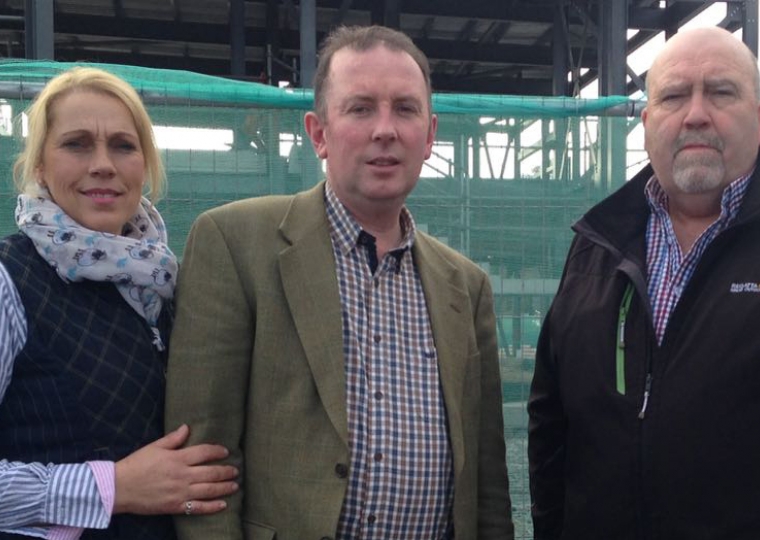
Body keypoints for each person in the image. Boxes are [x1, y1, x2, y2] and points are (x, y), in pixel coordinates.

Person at [165, 25, 514, 540]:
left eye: (405, 108)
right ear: (318, 133)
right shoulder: (236, 244)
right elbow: (203, 466)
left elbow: (485, 485)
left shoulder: (467, 287)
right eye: (360, 108)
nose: (385, 130)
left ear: (431, 133)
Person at [528, 26, 760, 540]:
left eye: (720, 92)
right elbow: (551, 422)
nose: (695, 114)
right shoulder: (596, 245)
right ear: (647, 125)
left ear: (759, 122)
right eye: (673, 96)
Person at [0, 67, 238, 540]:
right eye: (77, 144)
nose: (103, 164)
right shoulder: (10, 281)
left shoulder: (167, 286)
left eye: (124, 146)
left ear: (145, 165)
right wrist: (112, 487)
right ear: (41, 165)